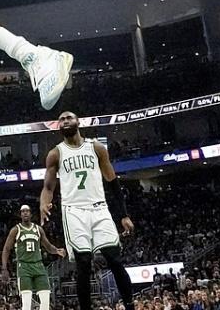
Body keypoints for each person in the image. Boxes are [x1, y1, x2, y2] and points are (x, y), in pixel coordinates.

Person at [40, 111, 136, 310]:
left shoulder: (96, 147)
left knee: (114, 259)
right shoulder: (56, 153)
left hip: (99, 208)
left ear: (78, 122)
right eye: (61, 120)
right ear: (58, 126)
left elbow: (113, 182)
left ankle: (130, 305)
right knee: (83, 262)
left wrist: (123, 215)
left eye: (69, 118)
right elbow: (48, 187)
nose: (65, 121)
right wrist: (43, 203)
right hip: (73, 211)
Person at [1, 204, 66, 310]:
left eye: (27, 211)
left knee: (45, 300)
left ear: (31, 214)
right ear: (20, 215)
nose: (25, 213)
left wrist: (57, 250)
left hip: (39, 266)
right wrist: (4, 268)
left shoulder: (38, 229)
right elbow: (6, 249)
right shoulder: (16, 230)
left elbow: (48, 246)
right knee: (26, 303)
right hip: (24, 266)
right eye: (23, 211)